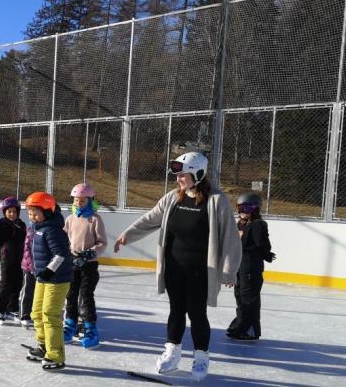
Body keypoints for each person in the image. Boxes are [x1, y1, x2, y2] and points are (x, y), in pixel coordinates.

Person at [113, 152, 241, 382]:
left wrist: (229, 270)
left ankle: (201, 355)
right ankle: (172, 351)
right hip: (174, 267)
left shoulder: (216, 201)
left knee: (197, 313)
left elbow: (231, 237)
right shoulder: (173, 197)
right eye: (178, 175)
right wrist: (127, 235)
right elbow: (151, 219)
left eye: (184, 175)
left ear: (198, 174)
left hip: (201, 271)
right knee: (176, 311)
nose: (179, 179)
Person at [23, 192, 72, 372]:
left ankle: (56, 355)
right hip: (43, 277)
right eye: (29, 213)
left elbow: (61, 255)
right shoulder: (38, 227)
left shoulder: (53, 230)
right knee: (36, 312)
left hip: (57, 279)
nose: (31, 217)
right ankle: (44, 346)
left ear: (48, 211)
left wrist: (48, 271)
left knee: (50, 315)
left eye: (35, 213)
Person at [63, 183, 108, 348]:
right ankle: (70, 325)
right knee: (70, 295)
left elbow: (102, 242)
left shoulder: (95, 219)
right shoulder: (70, 219)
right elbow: (64, 240)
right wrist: (67, 254)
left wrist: (89, 254)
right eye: (76, 201)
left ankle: (90, 329)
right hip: (72, 264)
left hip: (89, 266)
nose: (78, 204)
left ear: (90, 201)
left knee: (85, 296)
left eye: (82, 201)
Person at [226, 192, 275, 341]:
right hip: (239, 266)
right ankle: (240, 326)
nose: (242, 212)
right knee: (240, 297)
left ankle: (250, 330)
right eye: (240, 208)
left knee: (249, 298)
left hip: (251, 266)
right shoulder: (239, 224)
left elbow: (262, 244)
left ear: (255, 209)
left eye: (247, 208)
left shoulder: (258, 224)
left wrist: (266, 254)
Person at [0, 196, 27, 325]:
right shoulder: (2, 226)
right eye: (9, 212)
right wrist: (2, 254)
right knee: (6, 284)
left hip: (19, 260)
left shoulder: (21, 225)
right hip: (7, 260)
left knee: (17, 283)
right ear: (5, 212)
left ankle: (11, 308)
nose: (12, 214)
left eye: (14, 212)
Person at [19, 214, 36, 329]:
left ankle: (34, 314)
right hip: (29, 267)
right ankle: (24, 315)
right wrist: (31, 265)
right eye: (30, 214)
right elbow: (26, 248)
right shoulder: (31, 228)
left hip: (40, 267)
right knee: (27, 290)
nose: (32, 216)